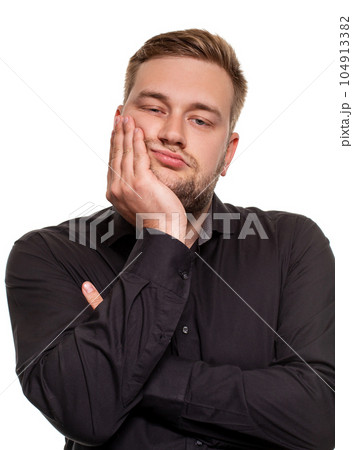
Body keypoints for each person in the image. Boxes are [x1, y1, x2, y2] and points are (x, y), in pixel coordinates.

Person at [5, 29, 334, 449]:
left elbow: (321, 418)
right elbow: (83, 409)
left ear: (227, 154)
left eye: (200, 119)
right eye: (155, 108)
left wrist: (124, 368)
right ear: (119, 124)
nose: (173, 134)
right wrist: (163, 237)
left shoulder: (292, 243)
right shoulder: (48, 254)